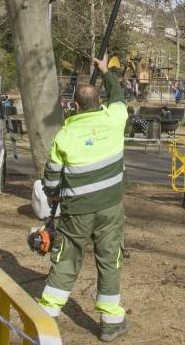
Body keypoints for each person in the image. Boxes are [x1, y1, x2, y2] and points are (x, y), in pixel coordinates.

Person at [38, 55, 129, 342]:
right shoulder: (115, 120)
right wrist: (106, 73)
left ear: (74, 106)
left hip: (77, 211)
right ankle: (111, 321)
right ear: (98, 103)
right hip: (110, 208)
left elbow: (51, 178)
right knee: (109, 259)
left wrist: (53, 196)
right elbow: (118, 96)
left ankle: (47, 316)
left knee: (67, 258)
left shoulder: (65, 136)